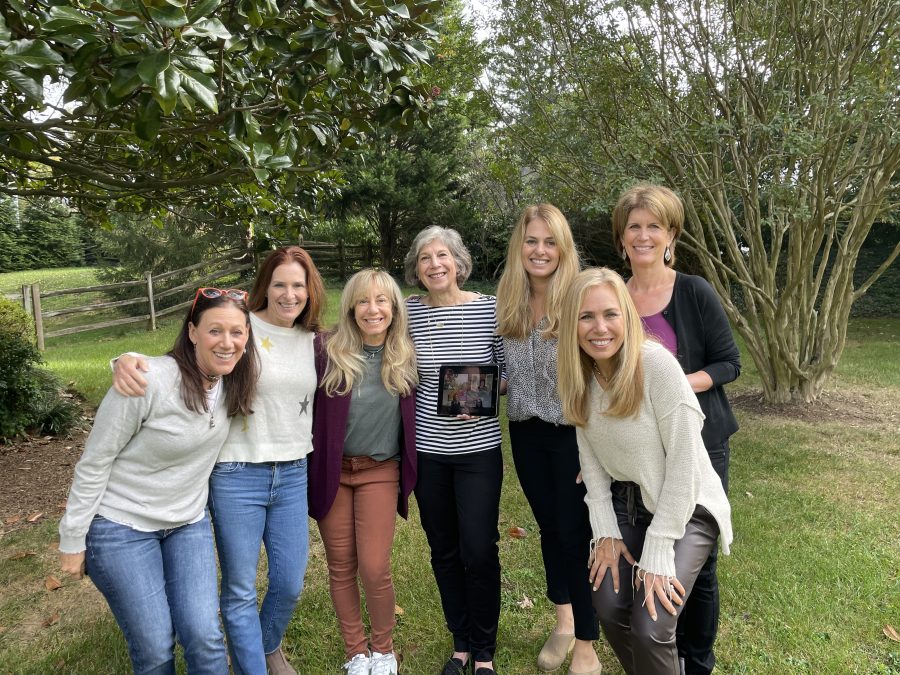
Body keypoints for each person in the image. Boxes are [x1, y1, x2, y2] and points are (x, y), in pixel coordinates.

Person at [111, 246, 326, 675]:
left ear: (310, 290)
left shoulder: (315, 340)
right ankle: (254, 666)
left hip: (293, 472)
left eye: (298, 285)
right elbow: (179, 363)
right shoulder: (243, 328)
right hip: (237, 472)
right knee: (241, 588)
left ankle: (266, 644)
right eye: (279, 284)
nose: (289, 294)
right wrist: (123, 361)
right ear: (265, 286)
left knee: (289, 582)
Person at [59, 288, 259, 674]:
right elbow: (94, 462)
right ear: (192, 332)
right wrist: (72, 538)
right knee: (154, 647)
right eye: (214, 331)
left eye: (237, 332)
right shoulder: (147, 382)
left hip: (187, 523)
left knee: (204, 636)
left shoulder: (234, 382)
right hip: (120, 526)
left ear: (247, 337)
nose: (227, 342)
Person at [556, 267, 733, 675]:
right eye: (586, 317)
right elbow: (590, 457)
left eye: (610, 314)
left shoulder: (656, 366)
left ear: (627, 316)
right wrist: (605, 531)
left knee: (652, 623)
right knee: (607, 602)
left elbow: (686, 464)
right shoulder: (580, 375)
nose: (599, 328)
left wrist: (658, 546)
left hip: (687, 506)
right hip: (629, 504)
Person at [612, 184, 740, 674]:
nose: (643, 236)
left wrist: (675, 386)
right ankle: (661, 653)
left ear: (671, 236)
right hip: (638, 455)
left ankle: (696, 660)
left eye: (654, 226)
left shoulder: (693, 291)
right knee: (651, 551)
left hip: (699, 447)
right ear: (622, 238)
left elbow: (728, 363)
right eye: (634, 227)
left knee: (698, 567)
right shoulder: (614, 298)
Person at [495, 204, 601, 675]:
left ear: (563, 248)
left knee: (576, 533)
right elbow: (501, 371)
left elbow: (603, 369)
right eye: (531, 241)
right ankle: (564, 622)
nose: (540, 251)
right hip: (526, 433)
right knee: (551, 529)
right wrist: (472, 390)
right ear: (519, 247)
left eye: (550, 242)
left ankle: (587, 643)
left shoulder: (582, 297)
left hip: (575, 434)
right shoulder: (507, 302)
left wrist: (597, 449)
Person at [403, 226, 506, 675]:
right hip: (428, 452)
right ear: (416, 267)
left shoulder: (489, 309)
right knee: (443, 549)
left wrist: (477, 395)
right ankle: (461, 642)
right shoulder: (407, 312)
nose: (434, 264)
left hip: (478, 451)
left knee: (479, 549)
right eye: (425, 258)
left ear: (458, 262)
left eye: (442, 255)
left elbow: (507, 372)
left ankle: (484, 651)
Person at [308, 269, 418, 675]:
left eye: (381, 300)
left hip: (379, 470)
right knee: (340, 566)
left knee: (374, 566)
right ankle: (356, 651)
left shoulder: (406, 354)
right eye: (363, 301)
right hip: (334, 472)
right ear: (351, 308)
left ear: (394, 307)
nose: (373, 309)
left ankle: (383, 649)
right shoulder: (326, 350)